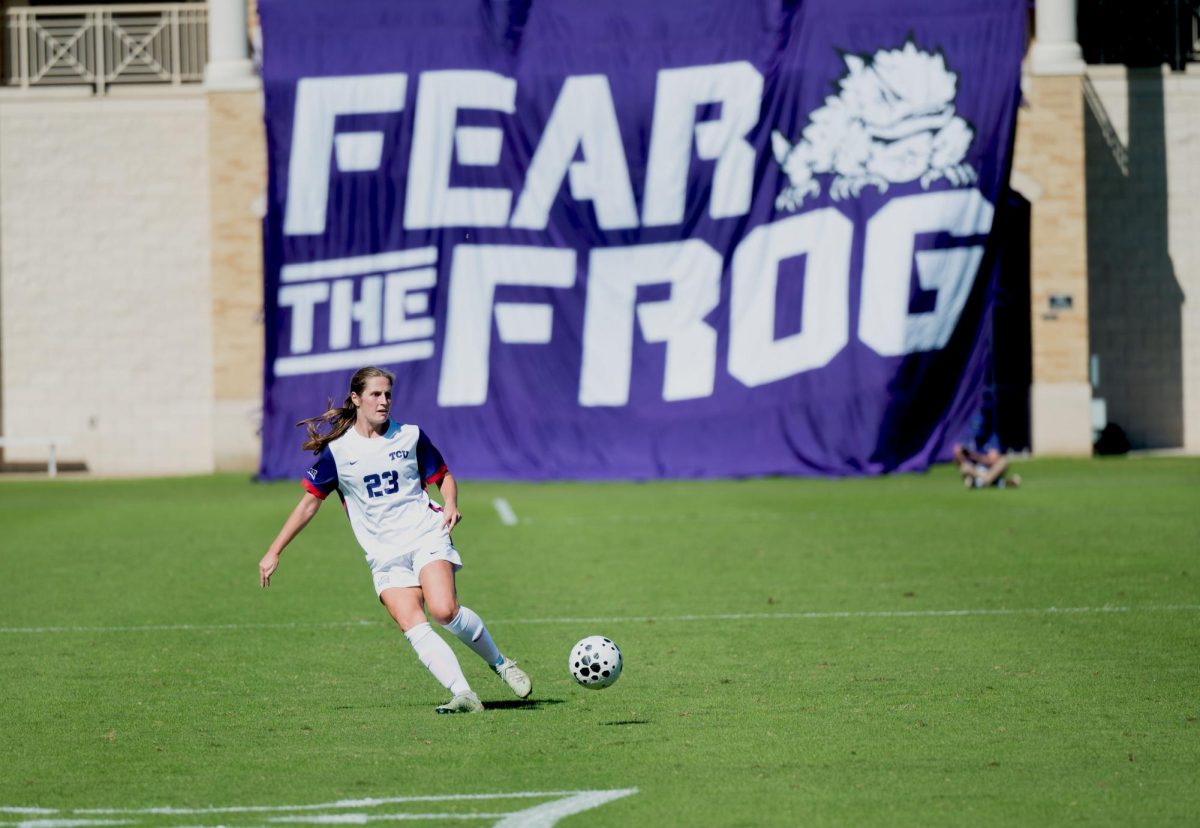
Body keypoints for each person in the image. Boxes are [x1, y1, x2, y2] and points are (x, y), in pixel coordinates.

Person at [258, 366, 531, 714]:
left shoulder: (411, 436)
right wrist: (274, 550)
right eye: (375, 394)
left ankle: (501, 663)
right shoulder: (338, 453)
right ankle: (464, 694)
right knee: (413, 624)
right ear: (356, 399)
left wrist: (450, 503)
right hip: (383, 555)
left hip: (424, 534)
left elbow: (442, 476)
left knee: (444, 610)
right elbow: (309, 504)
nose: (383, 401)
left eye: (387, 394)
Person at [952, 411, 1020, 490]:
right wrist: (959, 454)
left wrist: (974, 456)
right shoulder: (968, 438)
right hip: (976, 471)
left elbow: (993, 459)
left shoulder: (991, 437)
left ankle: (979, 483)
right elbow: (958, 462)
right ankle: (999, 483)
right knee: (965, 467)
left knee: (1003, 461)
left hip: (990, 469)